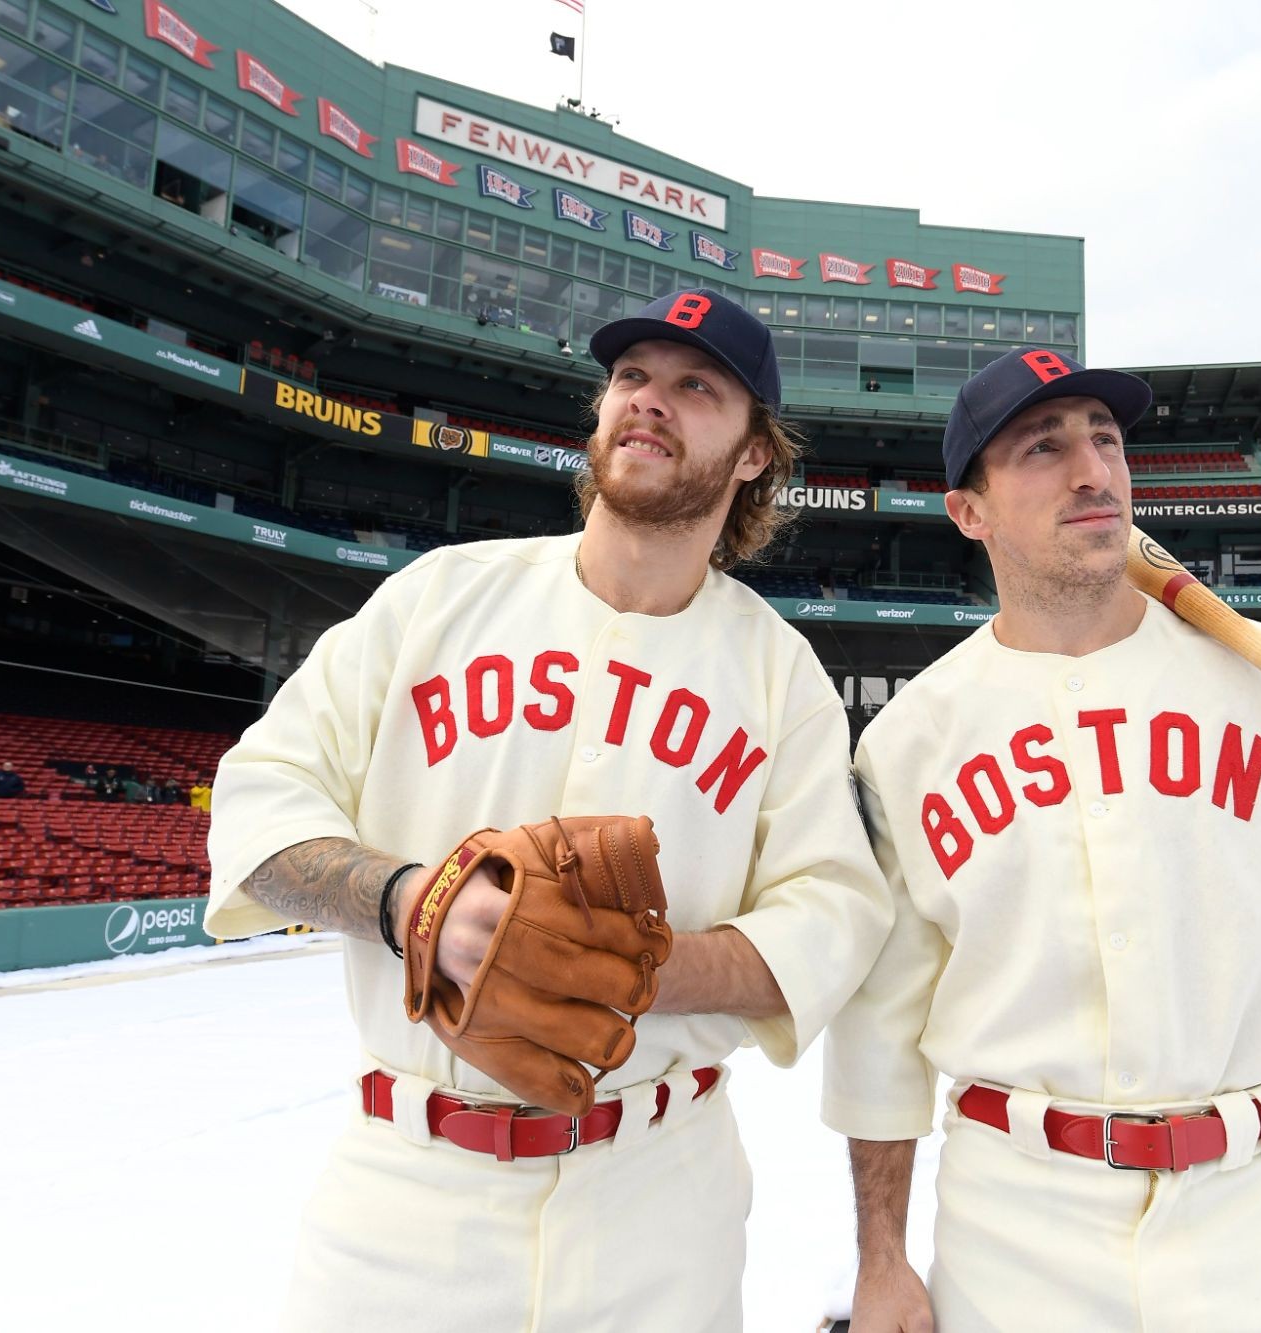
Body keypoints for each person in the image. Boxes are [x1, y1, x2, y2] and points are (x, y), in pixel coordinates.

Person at [204, 288, 890, 1331]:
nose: (648, 400)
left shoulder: (778, 672)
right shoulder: (439, 596)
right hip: (405, 1196)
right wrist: (415, 904)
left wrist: (630, 969)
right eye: (630, 377)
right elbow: (259, 800)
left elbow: (831, 916)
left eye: (695, 387)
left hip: (659, 1202)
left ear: (756, 453)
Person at [824, 349, 1261, 1333]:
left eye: (1106, 440)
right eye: (1042, 447)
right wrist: (881, 1259)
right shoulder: (908, 738)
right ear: (968, 511)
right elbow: (879, 1029)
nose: (1092, 471)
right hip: (1016, 1233)